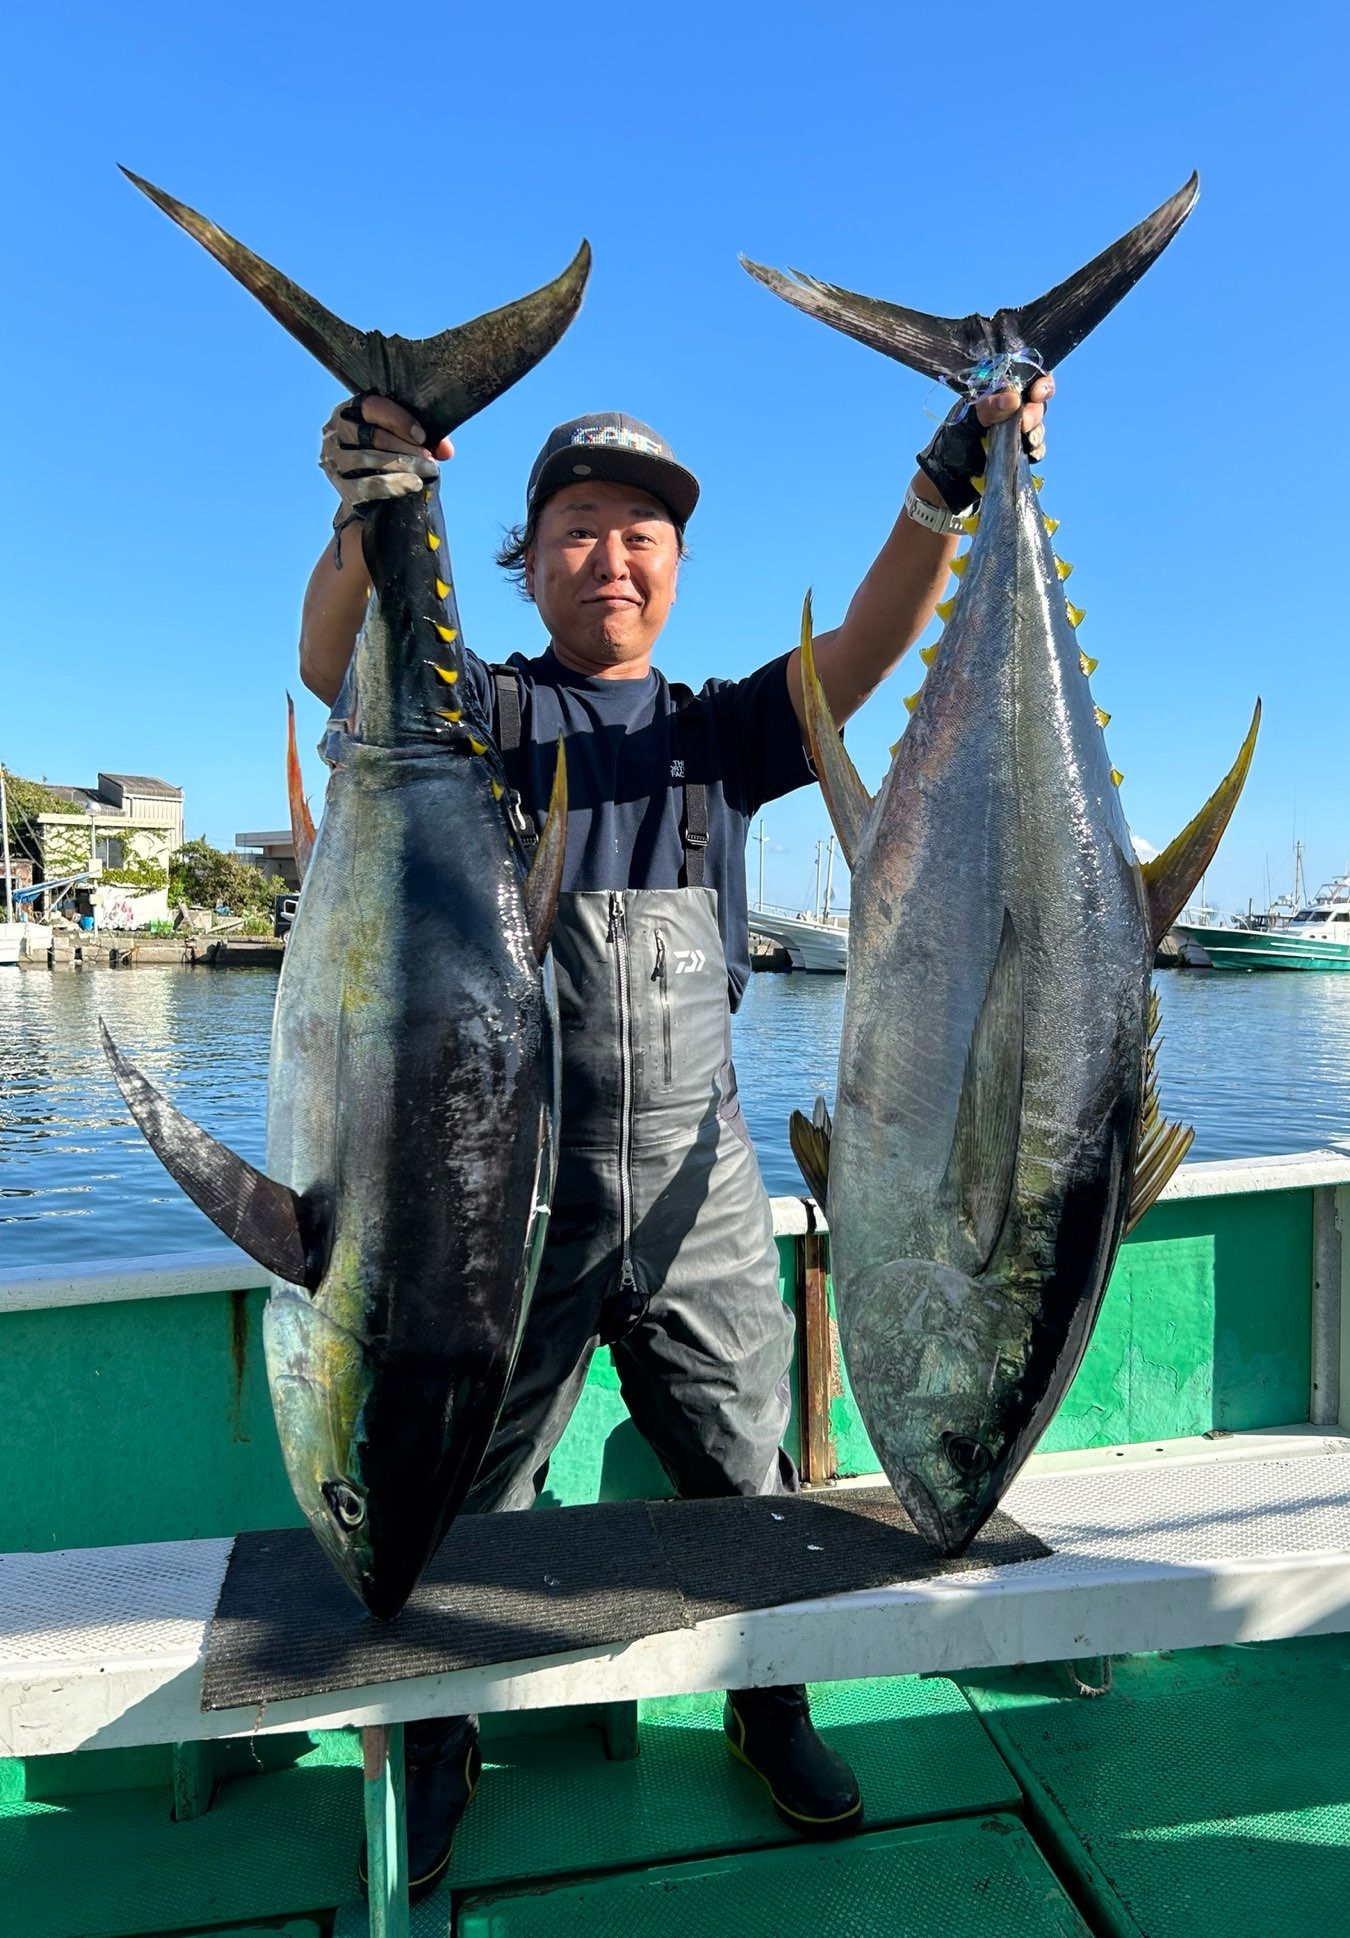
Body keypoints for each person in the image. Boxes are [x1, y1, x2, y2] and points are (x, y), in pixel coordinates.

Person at [300, 370, 1052, 1902]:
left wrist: (944, 485)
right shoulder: (482, 712)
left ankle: (766, 1698)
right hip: (511, 1189)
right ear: (529, 557)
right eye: (578, 529)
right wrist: (367, 507)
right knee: (466, 1481)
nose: (614, 558)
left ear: (679, 565)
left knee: (748, 1470)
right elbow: (335, 663)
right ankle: (442, 1730)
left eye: (642, 533)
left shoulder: (722, 736)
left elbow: (869, 646)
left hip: (703, 1185)